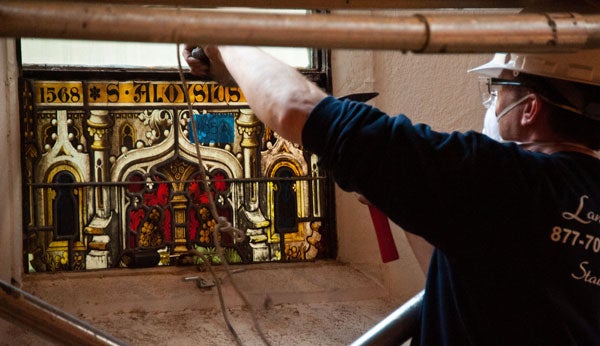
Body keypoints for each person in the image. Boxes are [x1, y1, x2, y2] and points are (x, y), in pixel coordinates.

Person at [183, 45, 600, 345]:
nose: (492, 102)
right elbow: (465, 272)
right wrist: (398, 198)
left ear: (530, 108)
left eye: (498, 89)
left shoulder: (496, 177)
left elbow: (293, 107)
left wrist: (225, 35)